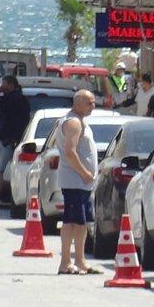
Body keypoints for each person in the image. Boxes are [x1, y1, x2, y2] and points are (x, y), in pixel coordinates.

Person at [56, 90, 102, 275]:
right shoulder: (73, 122)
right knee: (71, 221)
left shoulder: (78, 120)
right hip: (75, 180)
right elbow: (69, 152)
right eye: (89, 102)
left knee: (82, 223)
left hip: (82, 183)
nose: (93, 106)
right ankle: (65, 262)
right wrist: (84, 173)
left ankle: (80, 260)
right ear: (78, 103)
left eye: (93, 102)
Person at [0, 75, 31, 213]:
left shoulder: (7, 98)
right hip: (21, 139)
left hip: (6, 139)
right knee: (18, 170)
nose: (1, 85)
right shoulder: (23, 99)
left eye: (4, 83)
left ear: (11, 85)